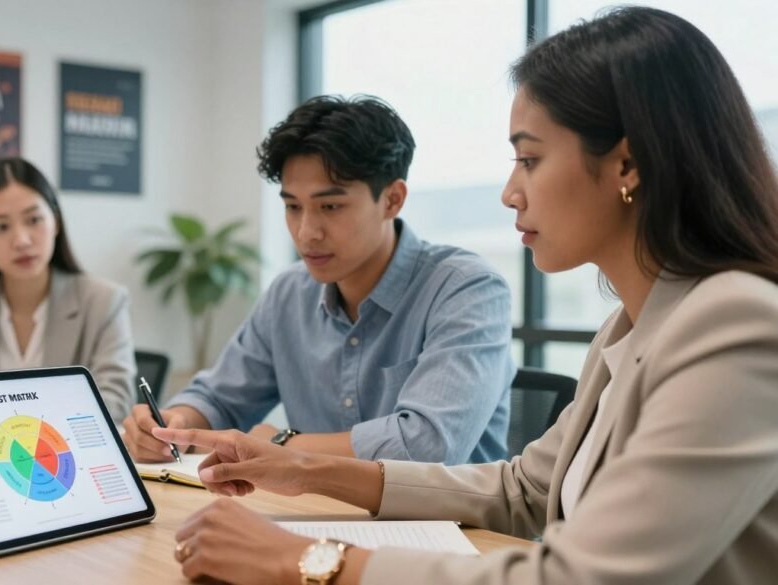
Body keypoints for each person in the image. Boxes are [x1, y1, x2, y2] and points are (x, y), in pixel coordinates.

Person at [150, 7, 778, 585]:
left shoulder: (736, 325)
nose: (510, 192)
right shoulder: (626, 328)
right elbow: (520, 490)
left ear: (627, 166)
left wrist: (305, 560)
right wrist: (299, 469)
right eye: (292, 207)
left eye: (528, 160)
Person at [123, 96, 514, 464]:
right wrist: (176, 424)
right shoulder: (289, 293)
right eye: (293, 207)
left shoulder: (466, 289)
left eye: (330, 206)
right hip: (313, 520)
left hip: (451, 532)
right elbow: (220, 398)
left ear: (392, 199)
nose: (306, 232)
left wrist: (282, 445)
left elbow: (429, 446)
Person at [0, 157, 136, 422]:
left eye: (34, 219)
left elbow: (116, 403)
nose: (22, 241)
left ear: (55, 222)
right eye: (1, 226)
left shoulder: (104, 301)